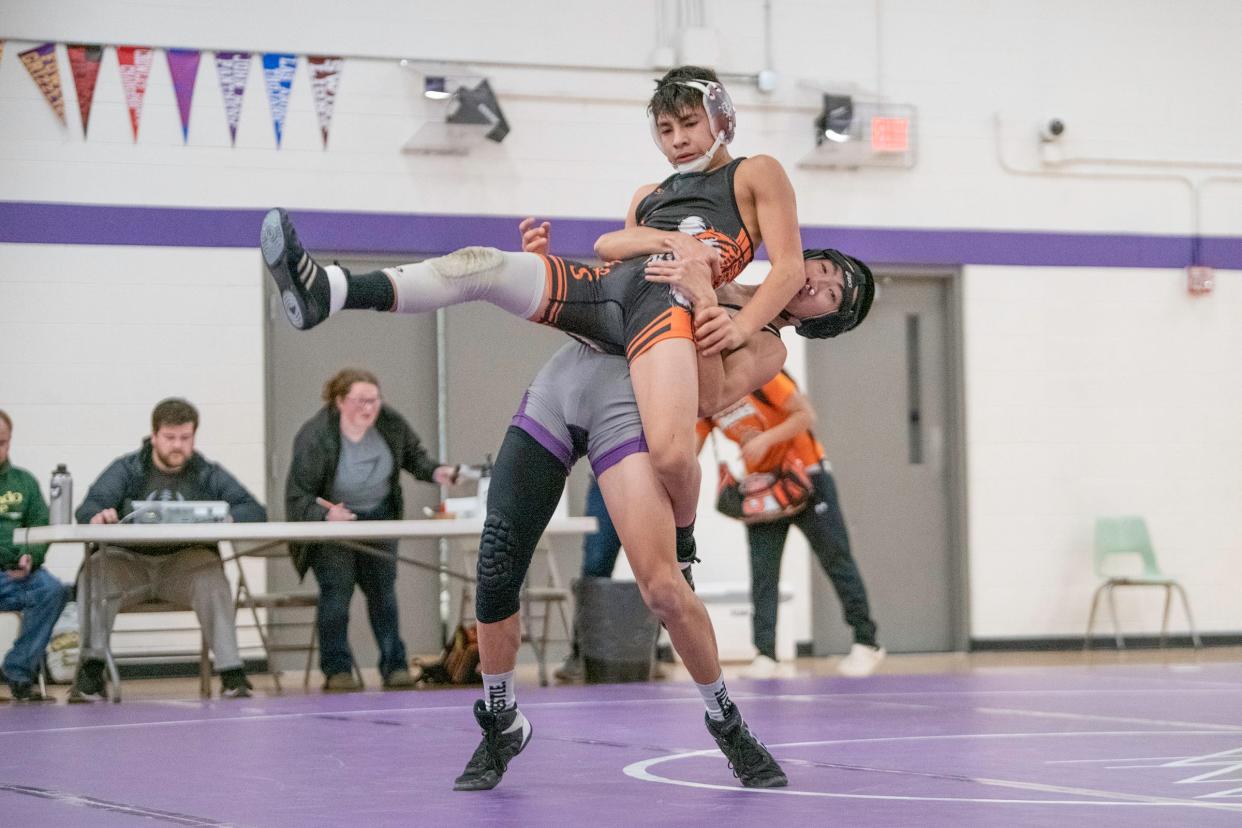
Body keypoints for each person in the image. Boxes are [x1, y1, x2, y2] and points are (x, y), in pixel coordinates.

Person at [261, 66, 871, 591]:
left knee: (659, 542)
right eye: (668, 128)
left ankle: (684, 546)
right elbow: (613, 252)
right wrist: (646, 254)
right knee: (481, 265)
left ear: (721, 120)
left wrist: (725, 320)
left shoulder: (760, 298)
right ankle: (332, 289)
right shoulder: (663, 203)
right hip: (620, 320)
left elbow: (752, 324)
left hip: (641, 392)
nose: (681, 139)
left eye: (829, 293)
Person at [451, 217, 829, 793]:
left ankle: (726, 719)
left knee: (662, 589)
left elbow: (705, 398)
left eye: (830, 291)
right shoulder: (702, 258)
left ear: (829, 320)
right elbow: (608, 269)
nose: (816, 282)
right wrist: (552, 271)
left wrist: (705, 304)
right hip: (565, 384)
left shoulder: (766, 344)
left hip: (625, 417)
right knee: (497, 559)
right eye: (818, 269)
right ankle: (501, 718)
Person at [71, 398, 266, 701]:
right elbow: (88, 507)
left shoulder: (206, 472)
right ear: (154, 436)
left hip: (183, 565)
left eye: (185, 438)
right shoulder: (127, 468)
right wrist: (99, 516)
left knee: (211, 576)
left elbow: (255, 510)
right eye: (170, 437)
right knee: (95, 571)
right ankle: (92, 671)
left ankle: (232, 674)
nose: (178, 445)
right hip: (129, 563)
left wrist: (227, 517)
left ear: (194, 437)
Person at [698, 371, 886, 678]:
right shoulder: (703, 399)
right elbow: (689, 446)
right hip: (764, 489)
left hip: (807, 475)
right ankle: (766, 654)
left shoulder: (759, 374)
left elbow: (805, 415)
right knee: (763, 570)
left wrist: (766, 440)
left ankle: (867, 642)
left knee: (836, 557)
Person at [286, 368, 460, 691]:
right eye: (360, 401)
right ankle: (337, 671)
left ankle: (394, 666)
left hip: (379, 516)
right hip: (337, 524)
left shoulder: (390, 424)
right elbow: (298, 494)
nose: (368, 408)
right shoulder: (315, 436)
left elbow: (414, 457)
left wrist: (437, 473)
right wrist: (326, 515)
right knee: (336, 594)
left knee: (384, 595)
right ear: (339, 401)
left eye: (374, 400)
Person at [0, 410, 68, 701]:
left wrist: (30, 556)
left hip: (16, 576)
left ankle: (18, 672)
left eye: (1, 442)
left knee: (53, 589)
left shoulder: (24, 482)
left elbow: (40, 527)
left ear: (9, 442)